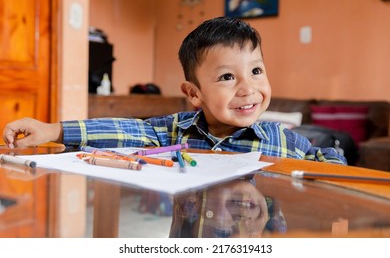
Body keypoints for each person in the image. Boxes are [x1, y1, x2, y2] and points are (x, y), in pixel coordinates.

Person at [2, 17, 346, 164]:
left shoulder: (282, 139)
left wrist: (336, 165)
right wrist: (52, 130)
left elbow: (328, 161)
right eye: (228, 77)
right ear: (194, 93)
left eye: (256, 71)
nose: (248, 88)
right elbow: (124, 129)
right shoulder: (174, 130)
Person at [169, 176, 287, 238]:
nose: (244, 223)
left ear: (192, 206)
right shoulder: (294, 150)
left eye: (223, 234)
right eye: (252, 240)